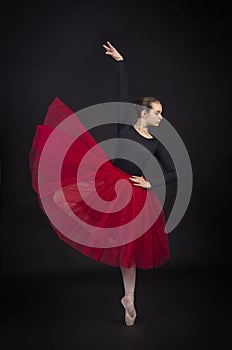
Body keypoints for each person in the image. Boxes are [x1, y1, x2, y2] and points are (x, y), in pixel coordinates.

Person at [29, 41, 177, 327]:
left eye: (162, 112)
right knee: (62, 198)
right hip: (108, 180)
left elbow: (172, 171)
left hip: (135, 195)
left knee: (130, 253)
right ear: (143, 112)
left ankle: (129, 299)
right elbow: (122, 95)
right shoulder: (124, 124)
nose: (161, 117)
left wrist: (151, 182)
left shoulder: (157, 145)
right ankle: (97, 231)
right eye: (157, 112)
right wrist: (120, 62)